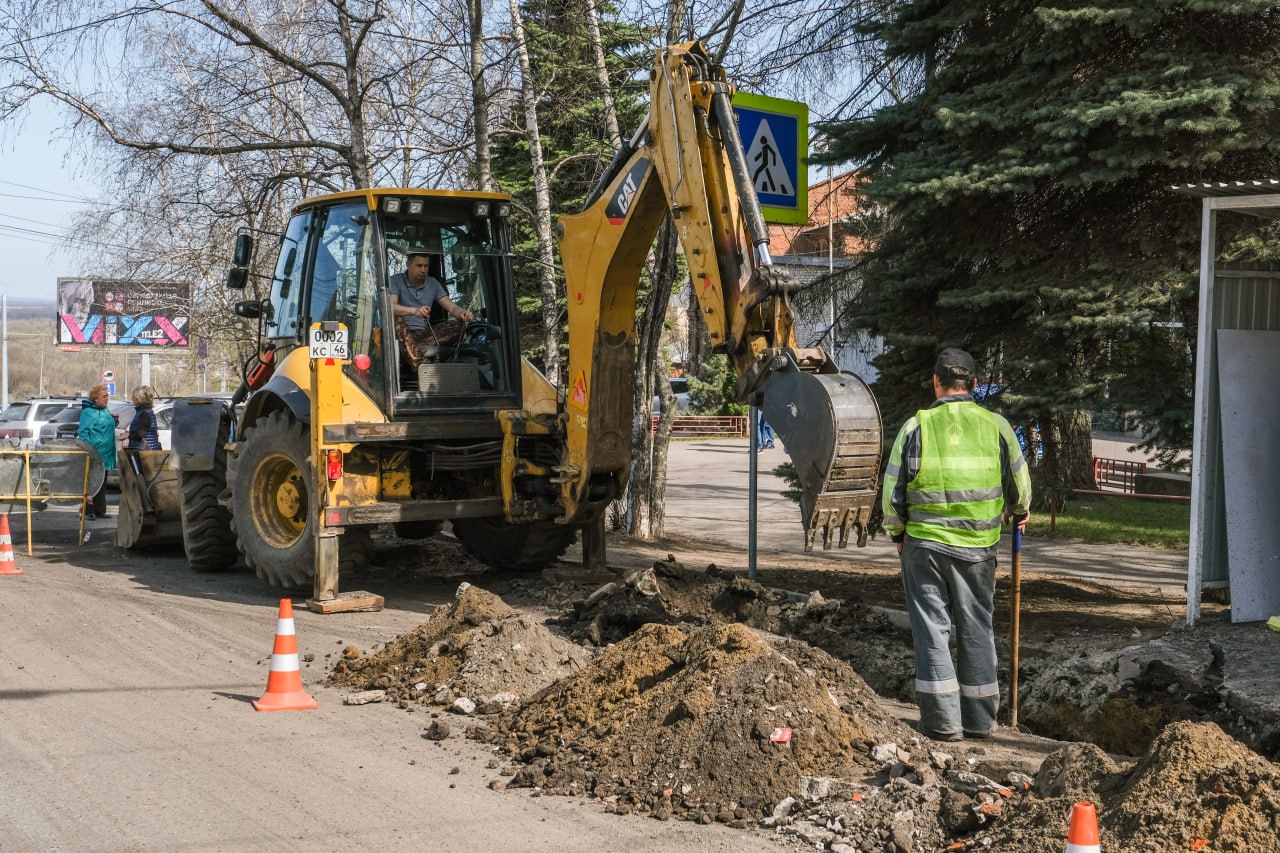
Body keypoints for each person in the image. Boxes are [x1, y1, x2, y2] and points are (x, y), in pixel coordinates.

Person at [881, 348, 1032, 742]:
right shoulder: (996, 426)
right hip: (978, 549)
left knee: (932, 630)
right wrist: (1019, 510)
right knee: (976, 628)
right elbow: (1020, 485)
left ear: (936, 382)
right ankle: (980, 722)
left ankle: (942, 724)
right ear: (975, 385)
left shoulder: (917, 427)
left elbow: (892, 493)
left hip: (924, 548)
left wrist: (897, 533)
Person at [390, 252, 474, 370]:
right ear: (408, 265)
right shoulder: (395, 281)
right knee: (395, 319)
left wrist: (462, 313)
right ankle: (423, 365)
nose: (423, 270)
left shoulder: (433, 283)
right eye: (419, 266)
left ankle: (414, 349)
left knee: (459, 325)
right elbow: (390, 307)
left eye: (426, 266)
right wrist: (414, 311)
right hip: (401, 335)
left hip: (424, 335)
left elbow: (451, 307)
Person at [77, 384, 118, 520]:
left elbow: (108, 426)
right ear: (95, 398)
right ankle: (88, 511)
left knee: (102, 484)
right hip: (95, 453)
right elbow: (83, 433)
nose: (107, 399)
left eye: (108, 396)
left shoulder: (105, 410)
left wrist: (115, 420)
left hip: (106, 454)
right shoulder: (88, 412)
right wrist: (89, 450)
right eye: (104, 396)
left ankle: (100, 510)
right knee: (92, 483)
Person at [126, 385, 161, 451]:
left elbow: (140, 435)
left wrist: (128, 436)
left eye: (134, 397)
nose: (132, 398)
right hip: (148, 450)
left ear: (139, 398)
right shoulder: (145, 411)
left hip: (144, 452)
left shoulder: (144, 413)